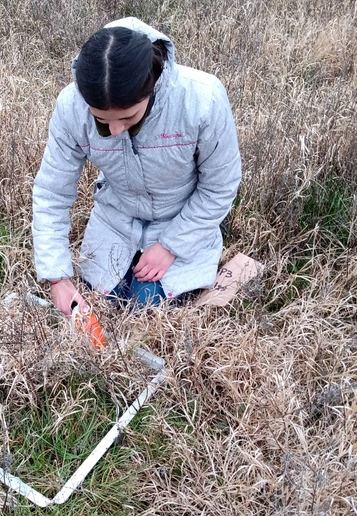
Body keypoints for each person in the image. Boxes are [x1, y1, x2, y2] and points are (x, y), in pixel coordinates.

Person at [32, 17, 242, 317]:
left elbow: (220, 185)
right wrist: (57, 276)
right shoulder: (71, 106)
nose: (115, 130)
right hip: (116, 219)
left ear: (152, 86)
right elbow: (51, 192)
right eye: (102, 122)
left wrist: (171, 246)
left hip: (180, 217)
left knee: (145, 307)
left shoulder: (202, 99)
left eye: (128, 118)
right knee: (104, 302)